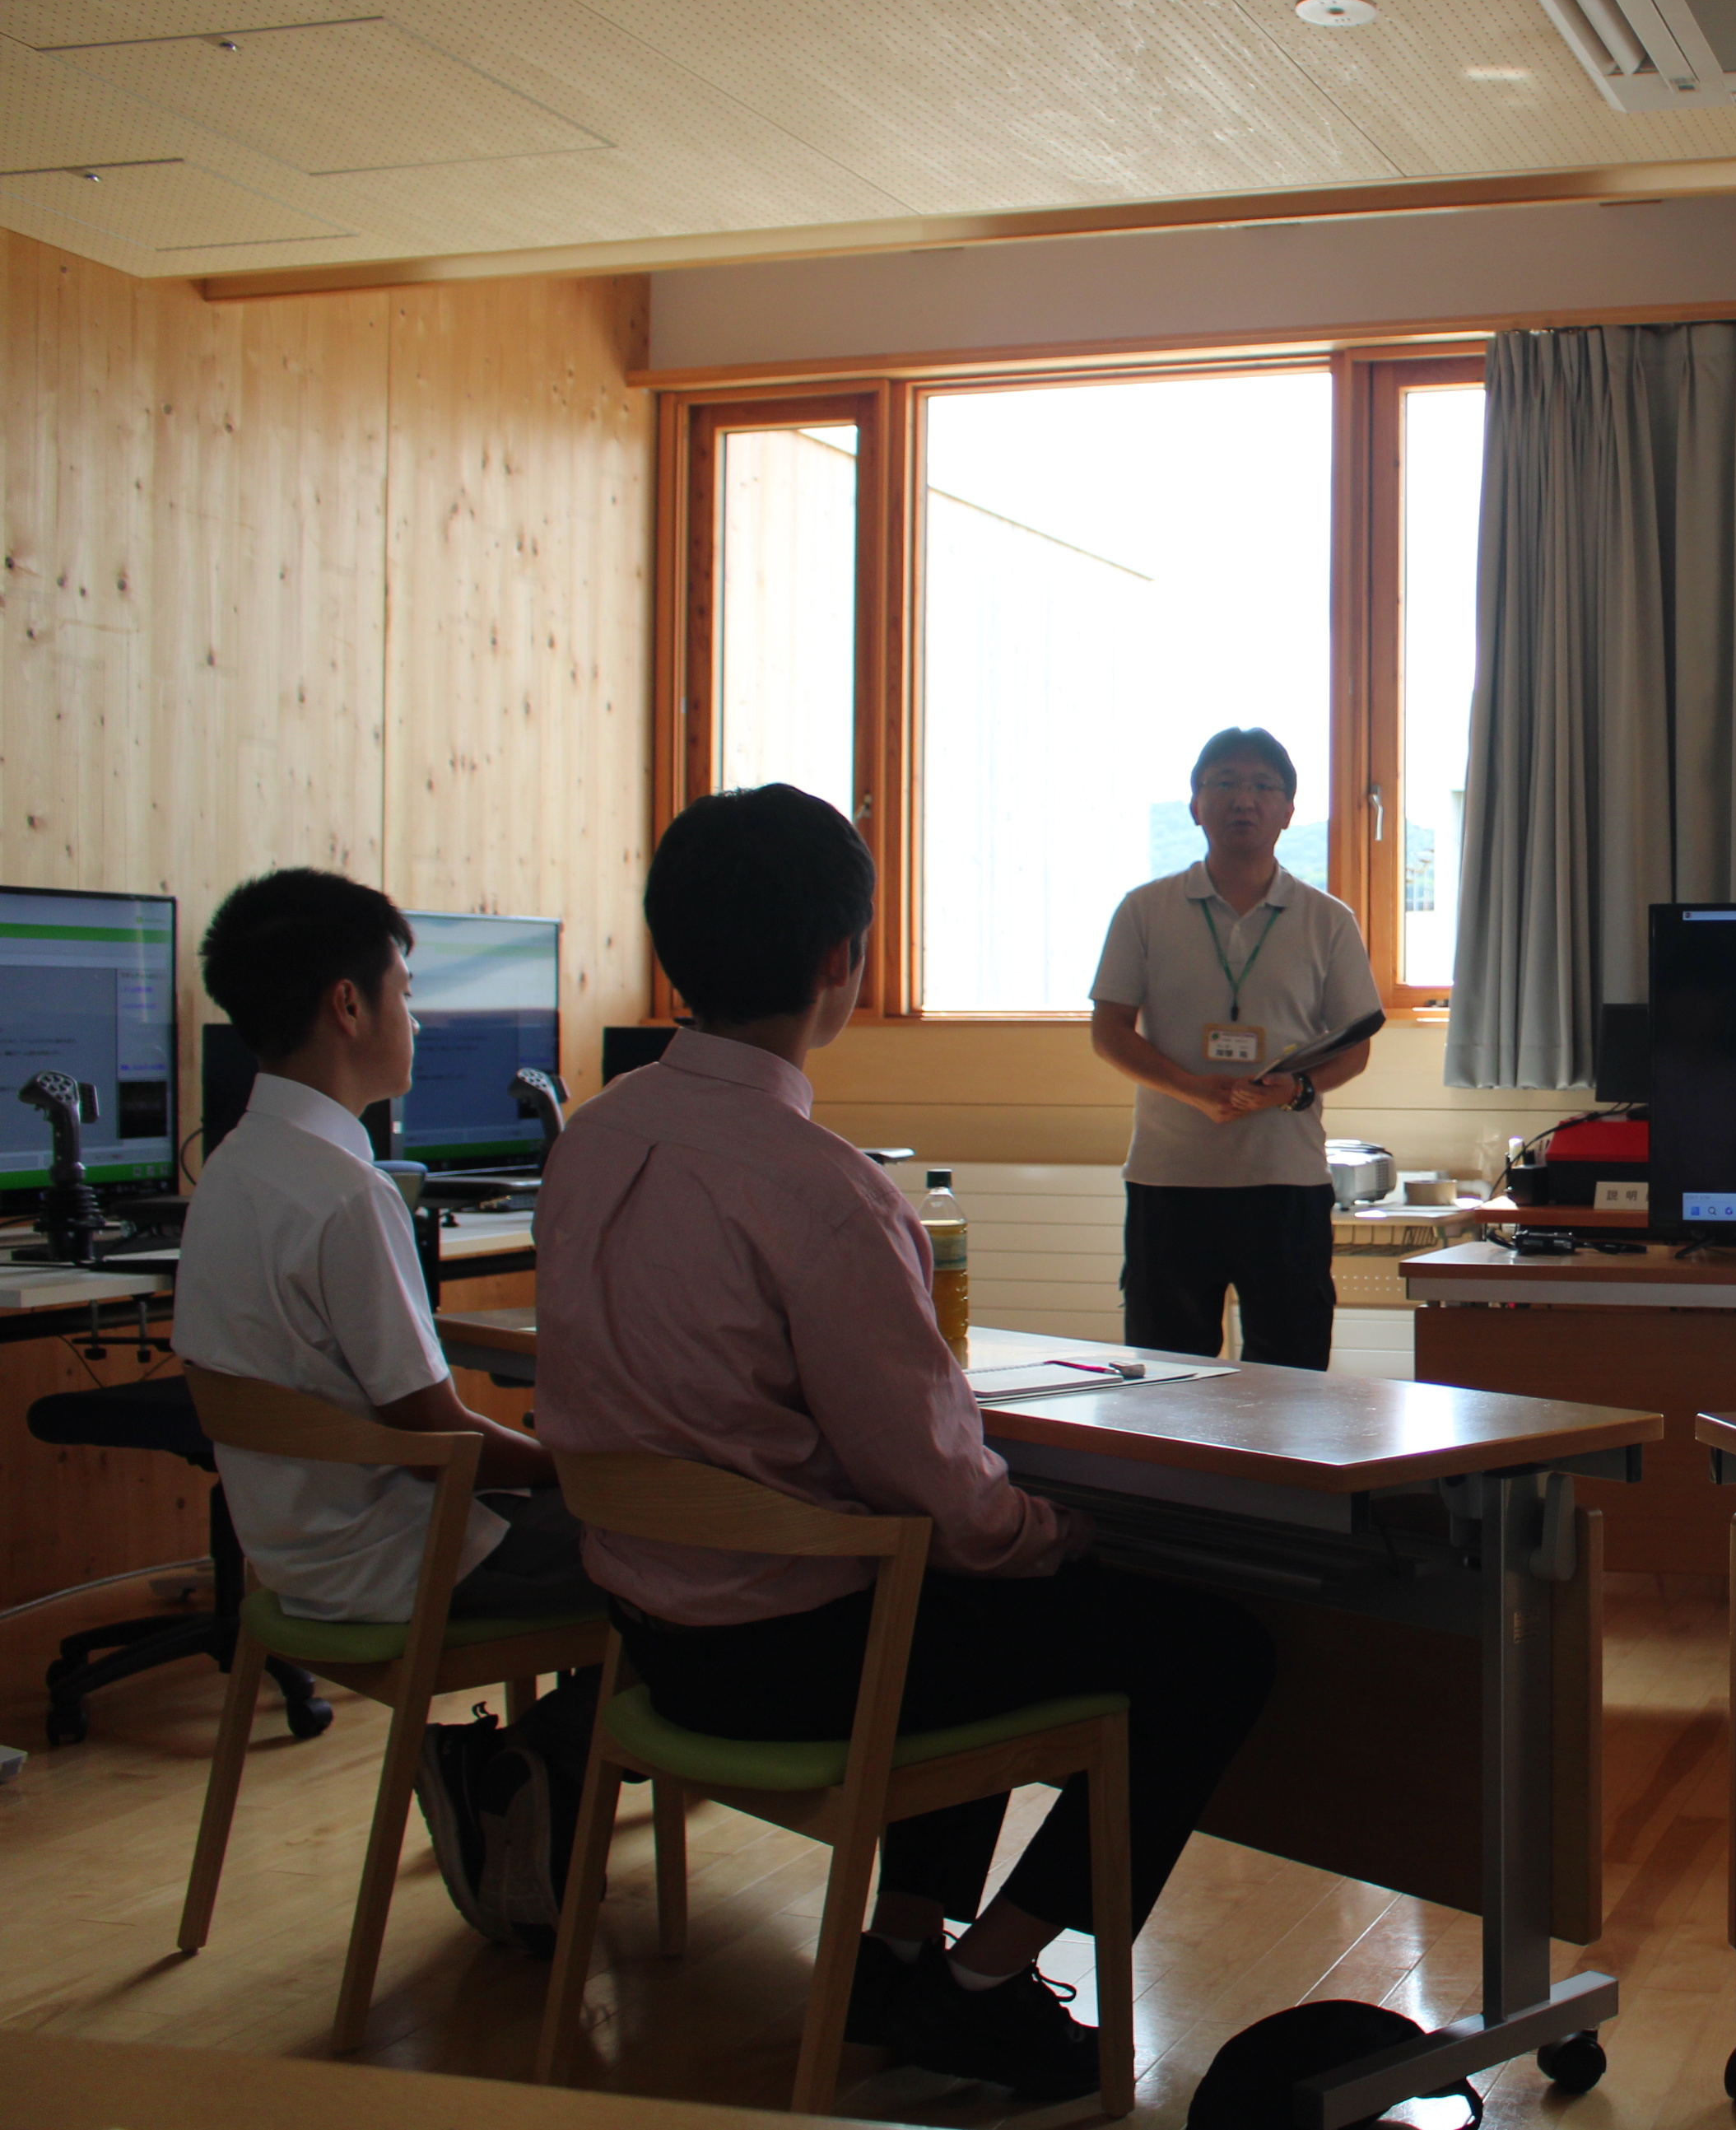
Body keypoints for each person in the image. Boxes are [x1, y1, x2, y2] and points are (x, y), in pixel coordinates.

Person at [534, 785, 1275, 2103]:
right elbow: (943, 1493)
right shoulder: (822, 1190)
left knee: (956, 1596)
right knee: (1210, 1648)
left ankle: (898, 1948)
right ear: (842, 960)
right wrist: (1061, 1531)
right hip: (801, 1666)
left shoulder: (588, 1141)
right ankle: (982, 1985)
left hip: (652, 1645)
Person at [175, 867, 598, 1946]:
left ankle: (517, 1777)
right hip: (408, 1557)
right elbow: (436, 1436)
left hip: (296, 1555)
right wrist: (578, 1469)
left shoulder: (235, 1166)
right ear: (348, 1006)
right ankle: (518, 1771)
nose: (418, 1018)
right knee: (679, 1546)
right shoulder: (347, 1192)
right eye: (407, 992)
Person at [1089, 729, 1379, 1370]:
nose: (1243, 799)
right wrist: (1192, 1090)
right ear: (1195, 805)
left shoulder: (1328, 919)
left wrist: (1296, 1091)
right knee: (1166, 1374)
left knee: (1293, 1376)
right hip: (1170, 1177)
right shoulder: (1145, 909)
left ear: (1288, 810)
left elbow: (1355, 1046)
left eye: (1262, 786)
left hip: (1286, 1178)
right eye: (1223, 783)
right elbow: (1108, 1030)